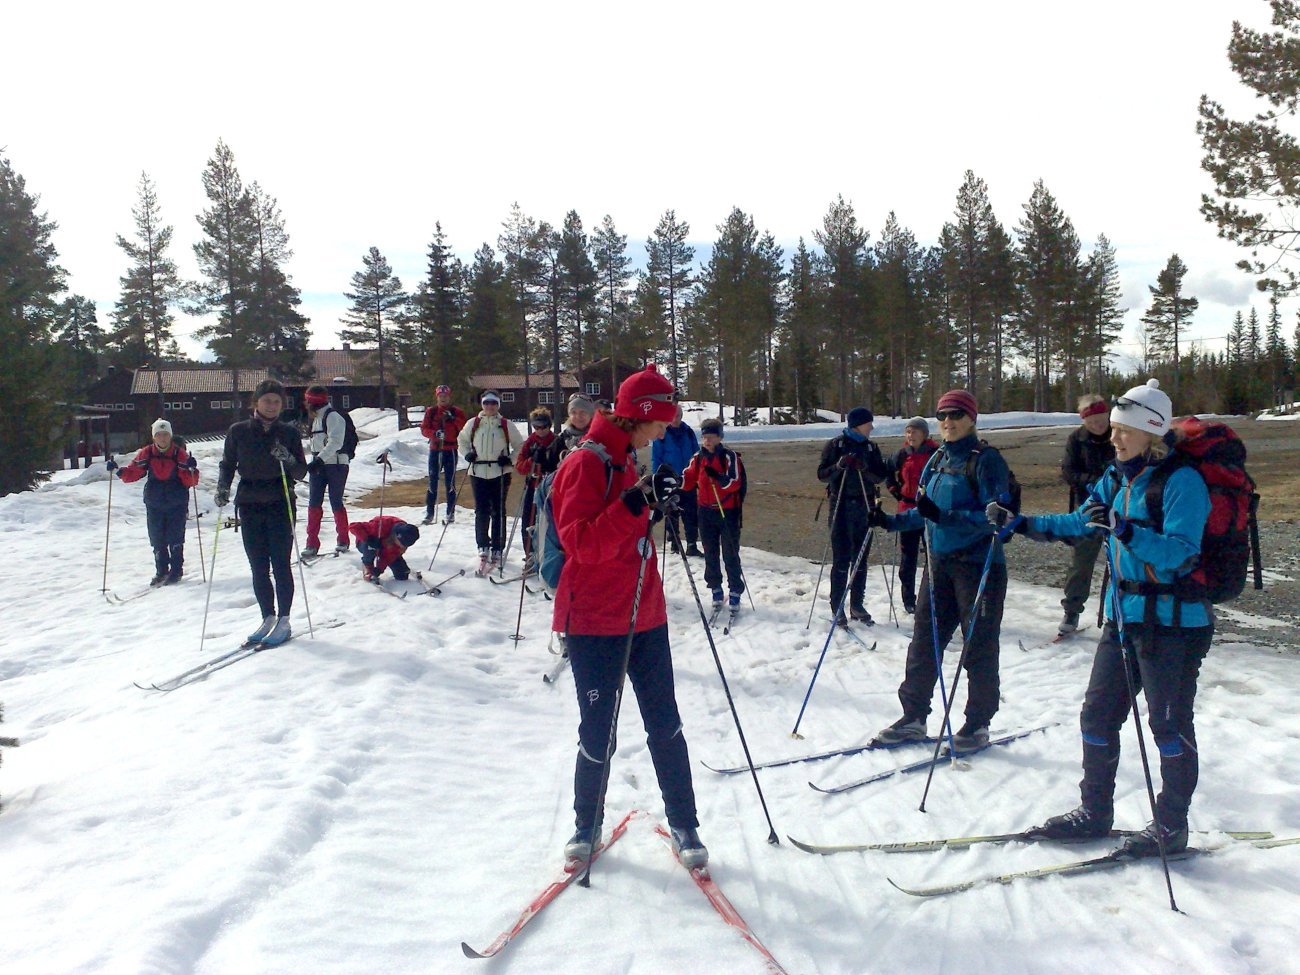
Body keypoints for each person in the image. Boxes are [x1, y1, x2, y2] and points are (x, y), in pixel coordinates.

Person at [996, 379, 1210, 857]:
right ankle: (1095, 812)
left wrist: (1125, 529)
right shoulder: (1116, 479)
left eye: (1124, 431)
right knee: (1097, 715)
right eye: (1113, 430)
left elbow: (1181, 554)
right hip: (1122, 618)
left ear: (1151, 432)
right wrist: (1021, 523)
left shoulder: (1182, 481)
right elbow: (1080, 523)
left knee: (1168, 726)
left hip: (1174, 624)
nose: (1114, 439)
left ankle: (1172, 826)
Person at [550, 365, 706, 869]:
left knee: (666, 724)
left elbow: (627, 525)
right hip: (595, 621)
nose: (666, 430)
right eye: (661, 420)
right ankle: (585, 825)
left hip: (644, 614)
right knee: (599, 730)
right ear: (640, 416)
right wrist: (637, 502)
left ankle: (686, 824)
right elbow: (581, 542)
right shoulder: (585, 464)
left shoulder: (625, 455)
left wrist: (654, 504)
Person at [868, 390, 1011, 754]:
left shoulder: (987, 460)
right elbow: (923, 511)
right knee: (924, 644)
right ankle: (913, 716)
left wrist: (945, 517)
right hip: (940, 565)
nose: (948, 421)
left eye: (956, 415)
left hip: (979, 568)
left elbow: (997, 518)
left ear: (972, 419)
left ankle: (977, 724)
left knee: (978, 648)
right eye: (942, 415)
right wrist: (888, 521)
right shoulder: (937, 458)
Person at [215, 379, 308, 647]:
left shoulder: (288, 433)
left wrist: (288, 459)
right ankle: (267, 616)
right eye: (267, 400)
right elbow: (228, 464)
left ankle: (285, 619)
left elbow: (301, 472)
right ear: (255, 403)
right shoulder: (239, 431)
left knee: (281, 564)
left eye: (277, 401)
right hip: (250, 503)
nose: (272, 406)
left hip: (280, 502)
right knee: (258, 566)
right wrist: (223, 487)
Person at [816, 406, 889, 625]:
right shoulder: (836, 444)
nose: (872, 427)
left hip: (864, 505)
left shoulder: (870, 447)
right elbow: (822, 475)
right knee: (841, 559)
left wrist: (864, 468)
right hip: (840, 504)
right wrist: (839, 465)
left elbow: (879, 477)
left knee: (861, 559)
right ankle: (837, 606)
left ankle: (856, 604)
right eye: (868, 423)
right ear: (858, 424)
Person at [109, 418, 199, 586]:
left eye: (165, 435)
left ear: (170, 436)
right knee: (157, 537)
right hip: (154, 501)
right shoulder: (147, 453)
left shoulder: (179, 453)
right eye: (159, 435)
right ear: (154, 437)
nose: (162, 438)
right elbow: (134, 472)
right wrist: (119, 472)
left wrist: (191, 469)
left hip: (176, 501)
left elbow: (190, 481)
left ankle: (176, 570)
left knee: (175, 536)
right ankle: (161, 570)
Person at [1057, 394, 1116, 634]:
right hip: (1088, 508)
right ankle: (1071, 611)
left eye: (1100, 418)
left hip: (1121, 508)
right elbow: (1068, 471)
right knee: (1081, 563)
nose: (1097, 424)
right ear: (1084, 421)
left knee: (1124, 562)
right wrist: (1094, 482)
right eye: (1091, 420)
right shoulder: (1077, 439)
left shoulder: (1119, 433)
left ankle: (1120, 613)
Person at [681, 418, 745, 611]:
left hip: (727, 511)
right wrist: (676, 481)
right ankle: (715, 589)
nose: (707, 441)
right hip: (705, 511)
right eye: (705, 437)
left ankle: (735, 590)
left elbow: (735, 483)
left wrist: (718, 477)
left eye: (711, 437)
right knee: (710, 553)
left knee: (730, 553)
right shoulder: (698, 458)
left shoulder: (729, 457)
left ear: (720, 437)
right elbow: (688, 480)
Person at [457, 389, 524, 575]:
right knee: (481, 510)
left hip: (500, 472)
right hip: (477, 471)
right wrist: (467, 453)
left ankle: (498, 546)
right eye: (486, 403)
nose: (490, 406)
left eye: (493, 403)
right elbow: (461, 440)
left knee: (498, 510)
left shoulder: (505, 425)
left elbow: (520, 446)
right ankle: (482, 544)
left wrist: (510, 459)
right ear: (482, 405)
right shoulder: (474, 423)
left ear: (498, 405)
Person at [886, 417, 939, 614]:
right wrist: (895, 490)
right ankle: (908, 600)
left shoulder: (935, 453)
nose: (911, 436)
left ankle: (933, 598)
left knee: (933, 557)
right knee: (908, 558)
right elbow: (889, 473)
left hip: (929, 511)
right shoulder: (901, 454)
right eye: (908, 432)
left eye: (915, 432)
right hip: (906, 508)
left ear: (924, 434)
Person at [302, 384, 351, 558]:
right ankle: (311, 543)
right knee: (314, 503)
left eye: (307, 401)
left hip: (336, 464)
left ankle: (343, 539)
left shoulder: (333, 417)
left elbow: (336, 442)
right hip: (320, 464)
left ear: (313, 402)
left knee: (335, 501)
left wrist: (319, 460)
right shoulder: (316, 418)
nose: (305, 404)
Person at [652, 404, 701, 557]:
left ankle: (692, 544)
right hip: (669, 479)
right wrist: (658, 479)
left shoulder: (688, 432)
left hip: (688, 479)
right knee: (671, 512)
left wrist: (698, 475)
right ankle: (674, 541)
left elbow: (696, 454)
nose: (675, 419)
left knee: (691, 512)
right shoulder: (662, 434)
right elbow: (656, 457)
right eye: (673, 416)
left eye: (678, 415)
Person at [515, 407, 557, 574]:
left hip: (550, 489)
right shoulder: (530, 442)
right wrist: (532, 460)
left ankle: (548, 556)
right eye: (536, 427)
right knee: (529, 521)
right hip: (533, 486)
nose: (540, 430)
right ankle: (530, 554)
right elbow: (519, 466)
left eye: (543, 426)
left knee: (548, 523)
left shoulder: (555, 441)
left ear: (549, 425)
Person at [420, 384, 467, 525]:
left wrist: (453, 419)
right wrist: (434, 434)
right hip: (435, 449)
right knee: (432, 480)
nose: (443, 398)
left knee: (450, 482)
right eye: (440, 396)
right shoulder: (431, 411)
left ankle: (450, 512)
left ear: (449, 397)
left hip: (450, 450)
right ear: (437, 397)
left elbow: (464, 428)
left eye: (445, 396)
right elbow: (424, 429)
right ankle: (429, 512)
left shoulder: (456, 411)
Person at [350, 516, 420, 581]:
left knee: (402, 575)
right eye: (401, 544)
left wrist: (379, 569)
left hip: (384, 547)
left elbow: (389, 556)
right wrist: (368, 539)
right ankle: (367, 566)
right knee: (370, 548)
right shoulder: (380, 525)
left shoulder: (407, 534)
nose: (403, 548)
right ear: (396, 536)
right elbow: (353, 526)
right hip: (365, 543)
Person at [543, 391, 596, 469]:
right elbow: (549, 466)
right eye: (573, 412)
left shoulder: (598, 437)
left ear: (591, 415)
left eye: (583, 412)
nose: (578, 416)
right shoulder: (561, 439)